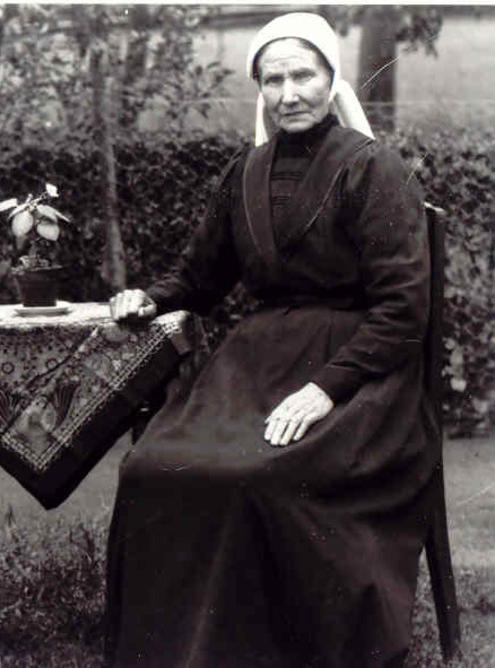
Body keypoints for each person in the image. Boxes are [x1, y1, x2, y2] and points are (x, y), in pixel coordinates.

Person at [106, 13, 436, 668]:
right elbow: (201, 276)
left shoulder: (374, 167)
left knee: (256, 477)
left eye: (302, 76)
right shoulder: (244, 173)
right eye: (273, 80)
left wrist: (324, 390)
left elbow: (404, 309)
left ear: (331, 79)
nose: (289, 94)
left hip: (359, 375)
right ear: (260, 89)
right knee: (150, 469)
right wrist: (151, 298)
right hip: (255, 367)